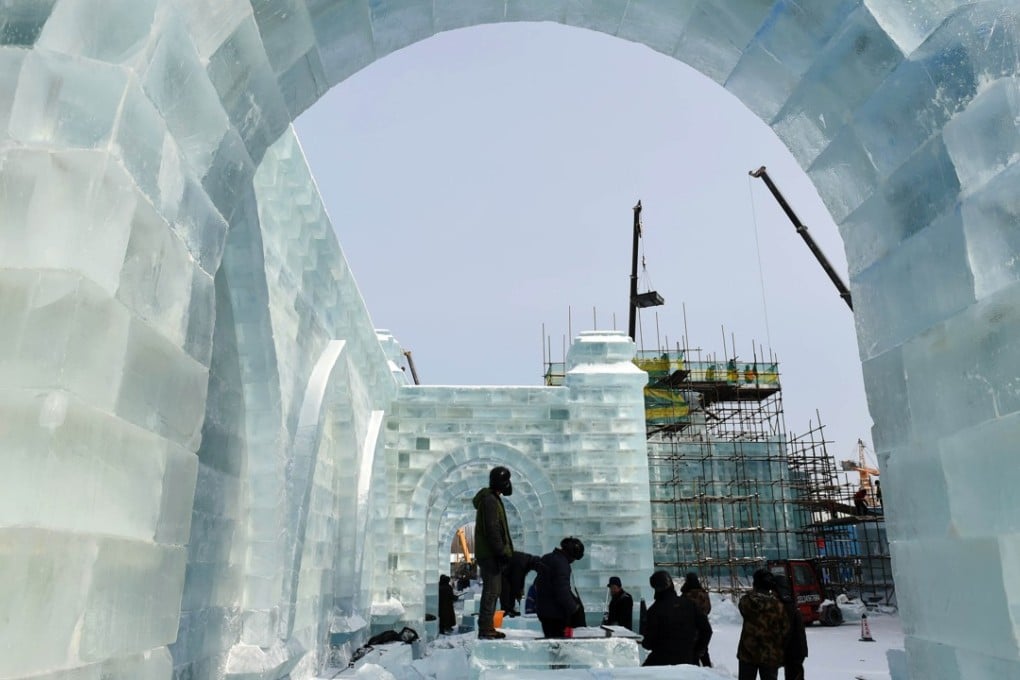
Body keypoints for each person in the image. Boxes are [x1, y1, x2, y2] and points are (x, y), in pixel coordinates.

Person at [473, 466, 514, 639]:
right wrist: (501, 551)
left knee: (493, 590)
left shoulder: (492, 498)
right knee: (491, 591)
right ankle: (485, 628)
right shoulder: (490, 500)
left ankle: (487, 627)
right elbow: (493, 528)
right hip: (490, 554)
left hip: (489, 553)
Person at [641, 570, 712, 666]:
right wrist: (696, 652)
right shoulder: (690, 604)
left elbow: (648, 643)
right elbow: (707, 630)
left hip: (661, 661)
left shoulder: (654, 610)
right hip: (688, 660)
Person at [737, 569, 789, 680]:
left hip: (748, 652)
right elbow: (785, 629)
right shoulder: (778, 606)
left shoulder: (747, 602)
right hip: (770, 654)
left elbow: (742, 607)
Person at [533, 537, 585, 638]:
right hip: (557, 614)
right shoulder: (562, 564)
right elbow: (562, 591)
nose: (573, 561)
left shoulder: (546, 558)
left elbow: (537, 584)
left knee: (551, 640)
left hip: (544, 612)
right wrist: (574, 608)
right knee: (560, 642)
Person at [773, 574, 808, 680]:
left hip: (793, 651)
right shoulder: (790, 602)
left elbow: (786, 632)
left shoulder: (785, 606)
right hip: (797, 650)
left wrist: (779, 652)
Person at [680, 572, 712, 666]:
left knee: (693, 657)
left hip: (690, 630)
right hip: (704, 628)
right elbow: (708, 609)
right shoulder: (704, 594)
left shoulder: (686, 595)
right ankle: (710, 671)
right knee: (704, 652)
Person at [500, 550, 543, 616]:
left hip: (506, 572)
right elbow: (516, 580)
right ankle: (506, 611)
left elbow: (521, 578)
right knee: (507, 591)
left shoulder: (526, 560)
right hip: (502, 572)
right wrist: (518, 594)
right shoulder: (522, 563)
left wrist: (520, 590)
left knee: (510, 590)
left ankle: (510, 610)